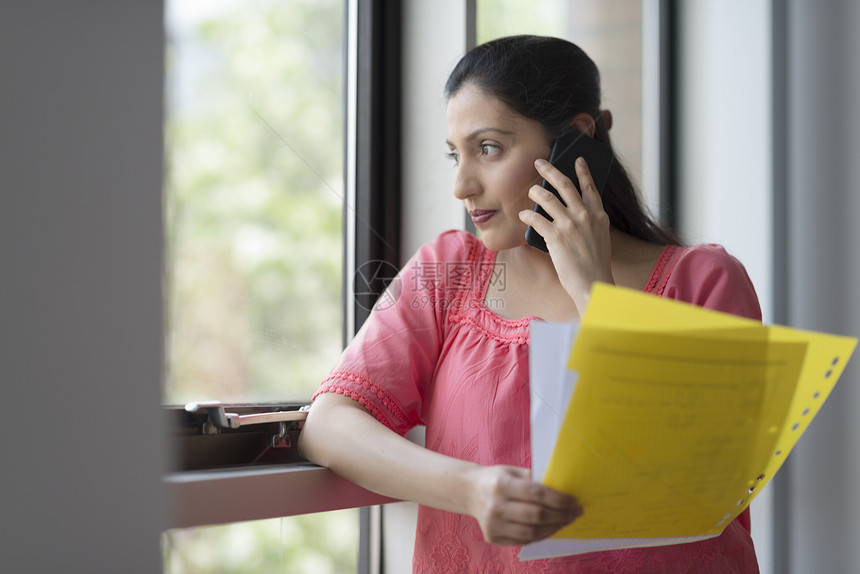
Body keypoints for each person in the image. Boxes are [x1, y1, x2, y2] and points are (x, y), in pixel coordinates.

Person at [298, 35, 761, 573]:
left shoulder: (705, 282)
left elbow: (703, 473)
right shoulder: (446, 272)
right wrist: (471, 489)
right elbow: (328, 424)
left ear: (576, 140)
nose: (461, 185)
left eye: (488, 148)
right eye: (456, 154)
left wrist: (594, 292)